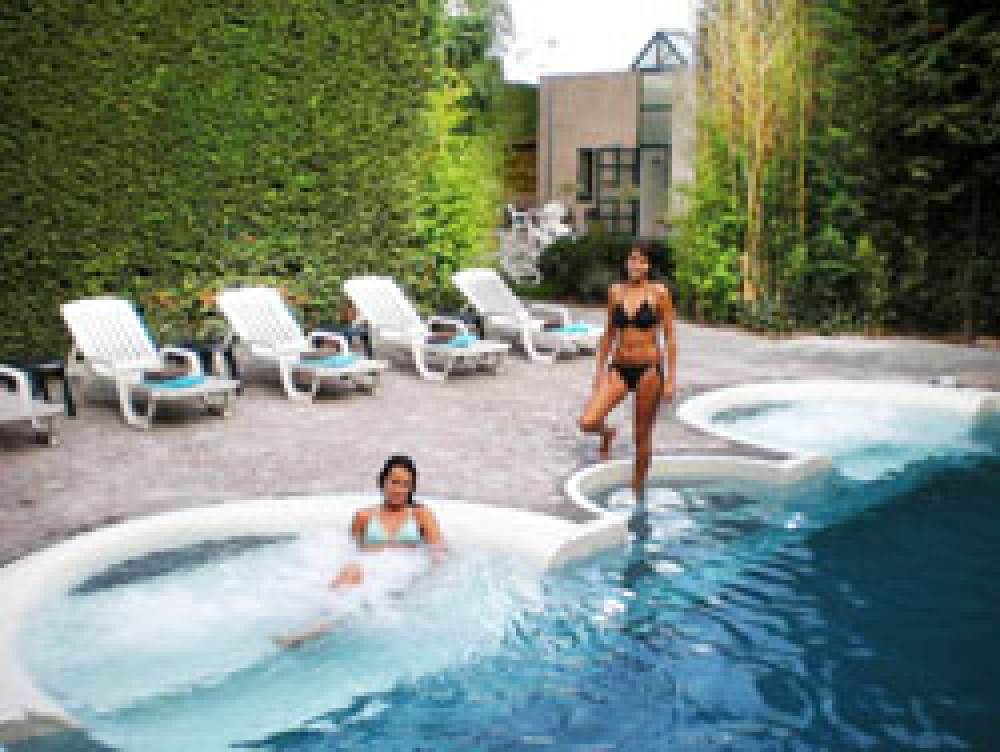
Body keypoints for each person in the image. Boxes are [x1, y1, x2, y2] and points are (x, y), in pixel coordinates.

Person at [275, 455, 446, 648]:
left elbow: (438, 550)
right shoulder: (364, 516)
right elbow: (350, 549)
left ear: (412, 488)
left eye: (405, 484)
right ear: (383, 482)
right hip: (369, 567)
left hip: (403, 571)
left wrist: (424, 580)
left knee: (365, 597)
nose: (399, 489)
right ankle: (313, 626)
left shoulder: (421, 514)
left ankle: (310, 634)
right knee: (350, 575)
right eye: (394, 482)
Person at [578, 243, 677, 494]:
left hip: (649, 369)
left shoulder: (659, 293)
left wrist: (670, 380)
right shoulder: (615, 292)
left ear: (648, 265)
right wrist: (599, 372)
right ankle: (607, 433)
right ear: (627, 263)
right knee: (587, 421)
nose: (636, 265)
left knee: (640, 437)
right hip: (620, 366)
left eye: (642, 260)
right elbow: (609, 334)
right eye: (632, 259)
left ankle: (637, 490)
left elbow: (670, 338)